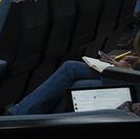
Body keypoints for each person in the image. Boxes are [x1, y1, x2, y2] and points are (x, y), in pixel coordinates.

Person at [8, 34, 140, 116]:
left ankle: (27, 117)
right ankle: (26, 115)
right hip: (133, 75)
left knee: (77, 85)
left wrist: (128, 72)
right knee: (70, 67)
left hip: (134, 83)